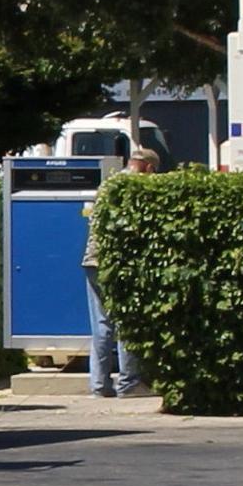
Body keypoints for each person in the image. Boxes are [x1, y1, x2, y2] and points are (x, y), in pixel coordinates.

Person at [83, 146, 157, 396]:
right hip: (119, 263)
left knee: (101, 327)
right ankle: (128, 383)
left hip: (92, 261)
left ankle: (99, 385)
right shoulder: (137, 188)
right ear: (148, 167)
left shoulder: (108, 185)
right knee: (126, 322)